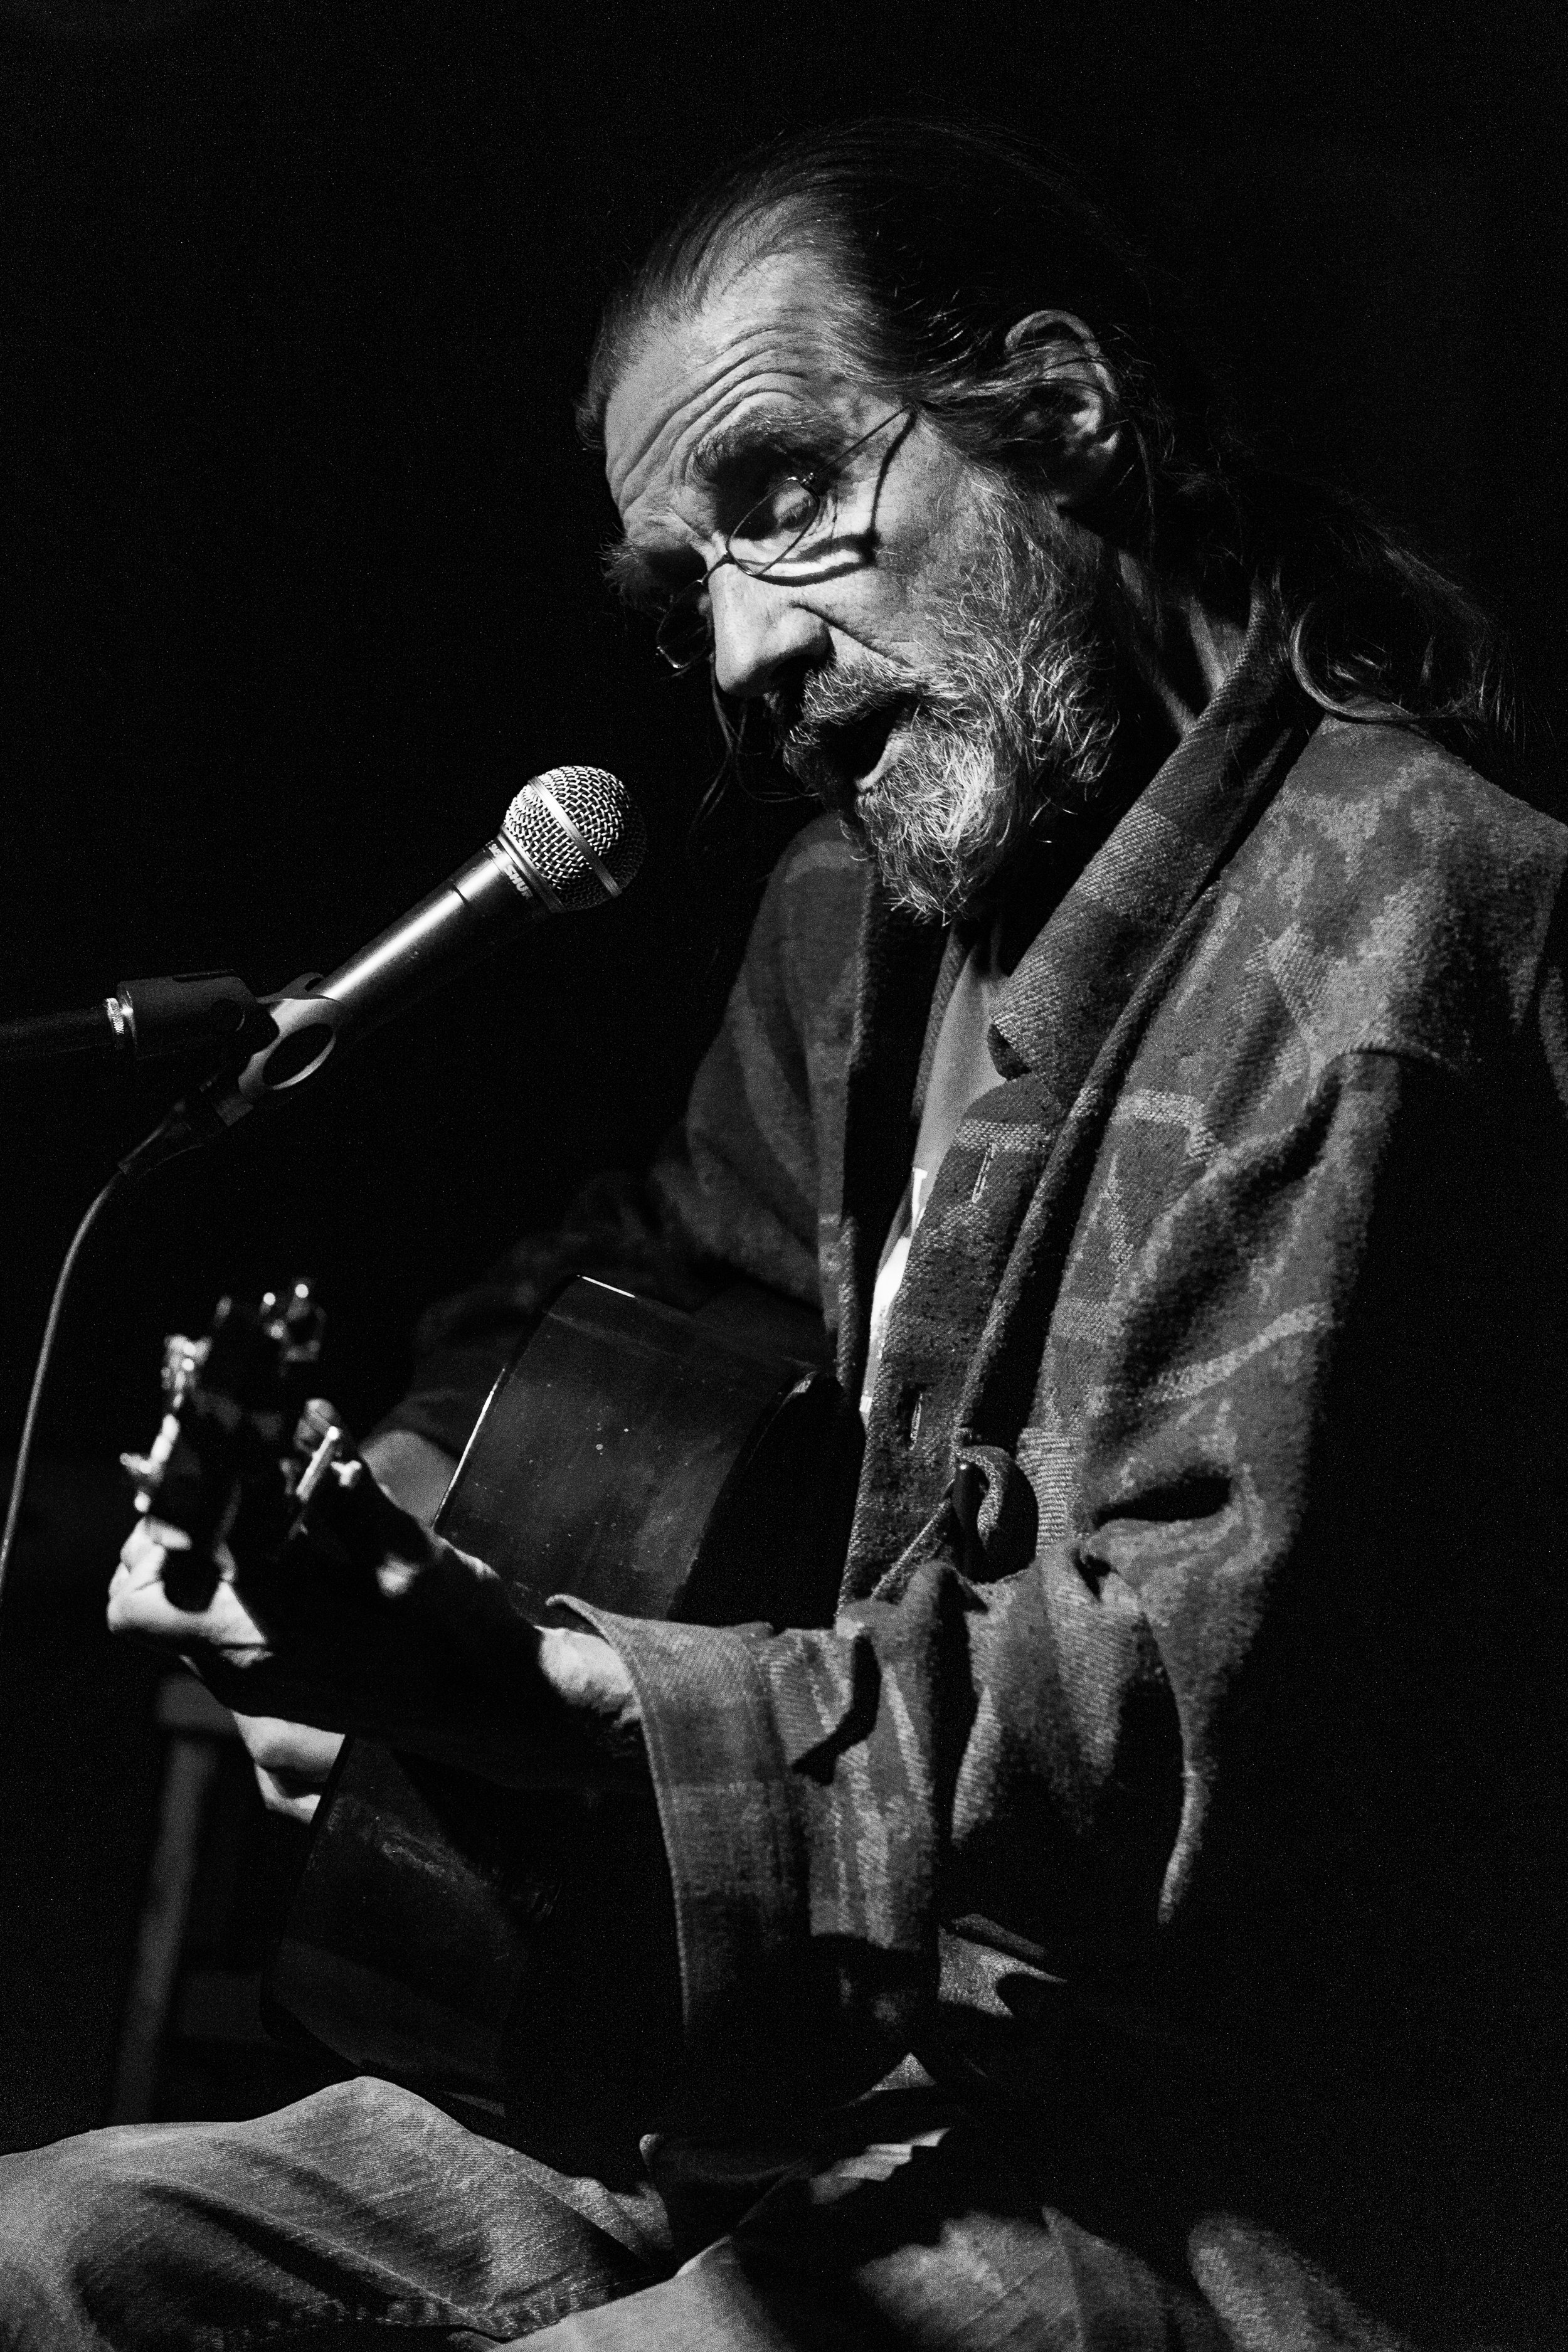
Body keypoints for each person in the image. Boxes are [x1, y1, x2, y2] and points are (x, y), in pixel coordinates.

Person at [3, 119, 1565, 2350]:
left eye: (781, 495)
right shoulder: (852, 932)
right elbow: (639, 1304)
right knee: (44, 2259)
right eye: (680, 593)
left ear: (1065, 410)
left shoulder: (1407, 926)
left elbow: (1157, 1742)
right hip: (793, 2072)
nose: (741, 647)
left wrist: (551, 1690)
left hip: (1226, 2166)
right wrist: (392, 1550)